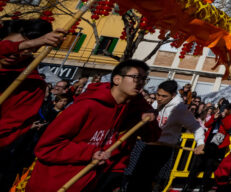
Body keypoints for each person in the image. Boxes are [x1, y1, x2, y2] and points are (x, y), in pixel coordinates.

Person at [26, 59, 158, 192]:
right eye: (135, 77)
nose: (140, 82)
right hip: (55, 182)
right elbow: (46, 147)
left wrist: (149, 115)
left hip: (89, 181)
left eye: (144, 78)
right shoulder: (87, 105)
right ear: (117, 79)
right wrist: (90, 152)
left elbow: (153, 137)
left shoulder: (133, 108)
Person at [0, 18, 66, 191]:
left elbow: (13, 125)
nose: (15, 52)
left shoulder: (32, 85)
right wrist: (23, 45)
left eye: (28, 49)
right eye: (14, 45)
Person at [126, 80, 205, 192]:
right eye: (158, 94)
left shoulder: (179, 109)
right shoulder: (156, 103)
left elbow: (196, 127)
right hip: (148, 145)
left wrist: (200, 143)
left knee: (144, 179)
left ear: (173, 95)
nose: (159, 98)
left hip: (163, 148)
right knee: (136, 179)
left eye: (164, 96)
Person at [183, 101, 231, 192]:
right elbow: (207, 125)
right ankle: (187, 185)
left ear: (228, 110)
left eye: (225, 108)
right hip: (207, 142)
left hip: (218, 144)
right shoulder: (215, 115)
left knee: (209, 166)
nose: (222, 110)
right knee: (196, 164)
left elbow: (227, 127)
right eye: (221, 107)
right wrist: (214, 118)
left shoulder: (230, 116)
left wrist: (223, 117)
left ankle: (203, 187)